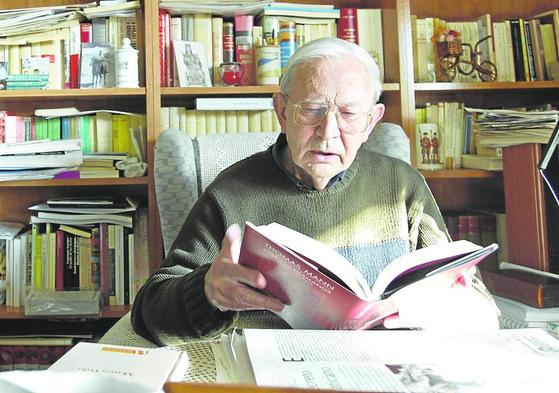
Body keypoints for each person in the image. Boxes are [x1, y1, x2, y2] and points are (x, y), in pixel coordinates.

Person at [131, 37, 498, 345]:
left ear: (371, 122)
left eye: (349, 114)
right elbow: (147, 315)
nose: (328, 132)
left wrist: (450, 311)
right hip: (269, 376)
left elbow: (474, 299)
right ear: (282, 111)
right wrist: (208, 293)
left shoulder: (402, 186)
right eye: (312, 110)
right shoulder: (230, 194)